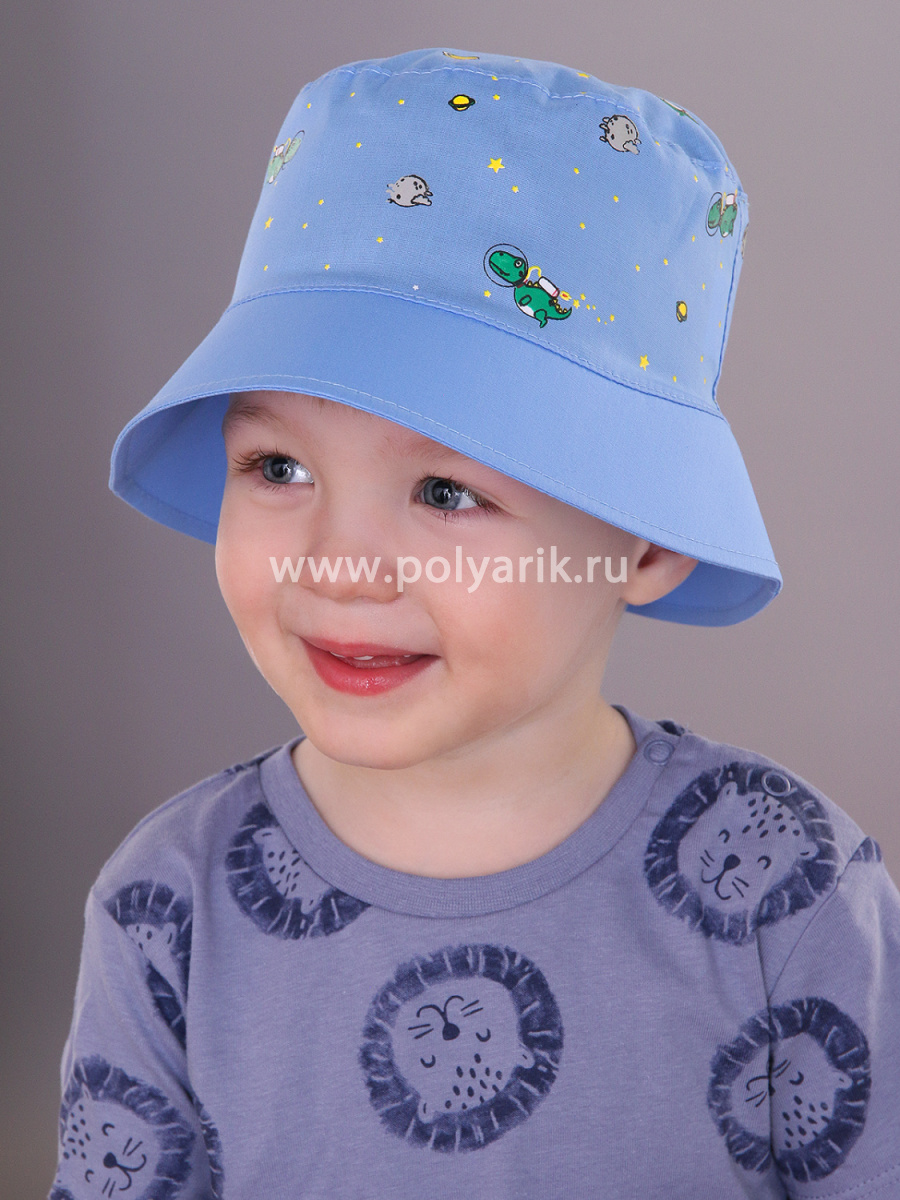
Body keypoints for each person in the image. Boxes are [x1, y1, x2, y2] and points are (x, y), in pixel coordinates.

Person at [51, 48, 900, 1199]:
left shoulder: (782, 889)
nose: (338, 567)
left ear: (646, 540)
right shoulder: (170, 906)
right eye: (279, 466)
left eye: (447, 491)